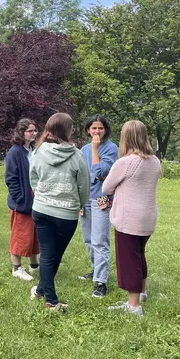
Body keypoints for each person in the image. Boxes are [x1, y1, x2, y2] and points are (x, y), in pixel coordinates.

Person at [29, 113, 90, 312]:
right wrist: (78, 203)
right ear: (68, 130)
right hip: (66, 213)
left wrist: (40, 193)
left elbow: (33, 177)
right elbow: (84, 185)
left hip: (41, 209)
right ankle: (51, 301)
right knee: (52, 255)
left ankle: (39, 291)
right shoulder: (77, 155)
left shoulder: (38, 151)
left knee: (49, 255)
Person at [103, 121, 161, 316]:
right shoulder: (154, 161)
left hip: (129, 218)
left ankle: (133, 305)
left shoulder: (125, 162)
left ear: (125, 138)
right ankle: (141, 292)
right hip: (148, 216)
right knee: (139, 254)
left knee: (129, 260)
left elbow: (106, 188)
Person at [78, 114, 119, 298]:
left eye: (100, 128)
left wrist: (95, 150)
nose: (97, 131)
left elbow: (101, 172)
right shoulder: (83, 149)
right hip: (84, 199)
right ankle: (96, 270)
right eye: (93, 128)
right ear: (88, 130)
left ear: (105, 130)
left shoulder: (111, 149)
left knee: (100, 240)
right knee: (88, 239)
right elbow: (79, 175)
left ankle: (101, 282)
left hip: (101, 199)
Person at [5, 119, 40, 281]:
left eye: (35, 130)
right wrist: (19, 199)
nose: (34, 133)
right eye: (30, 131)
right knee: (21, 234)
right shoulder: (15, 152)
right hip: (21, 201)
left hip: (35, 198)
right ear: (21, 133)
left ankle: (34, 264)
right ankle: (16, 268)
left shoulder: (33, 149)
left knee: (34, 233)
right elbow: (11, 179)